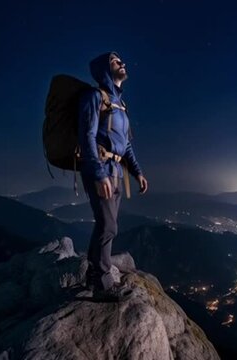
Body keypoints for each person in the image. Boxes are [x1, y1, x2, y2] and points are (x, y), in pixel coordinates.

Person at [78, 51, 149, 301]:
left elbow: (126, 145)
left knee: (104, 226)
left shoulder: (120, 105)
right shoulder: (95, 97)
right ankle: (102, 284)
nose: (123, 63)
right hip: (102, 171)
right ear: (104, 69)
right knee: (109, 226)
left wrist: (137, 172)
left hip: (116, 172)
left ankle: (92, 276)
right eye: (116, 61)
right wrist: (98, 174)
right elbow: (86, 136)